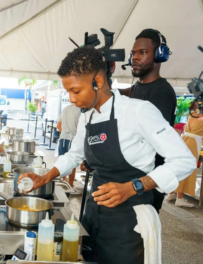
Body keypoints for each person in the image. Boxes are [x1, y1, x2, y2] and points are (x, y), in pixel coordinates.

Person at [19, 46, 195, 264]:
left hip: (129, 222)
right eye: (68, 92)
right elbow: (74, 154)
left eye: (76, 91)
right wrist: (46, 176)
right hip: (93, 216)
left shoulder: (138, 111)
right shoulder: (87, 117)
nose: (71, 100)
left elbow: (184, 160)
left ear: (98, 82)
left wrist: (133, 186)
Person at [120, 29, 177, 213]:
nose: (135, 57)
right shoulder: (139, 86)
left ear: (160, 55)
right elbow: (122, 96)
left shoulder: (161, 92)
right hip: (131, 175)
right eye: (134, 53)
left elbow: (150, 142)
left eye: (143, 52)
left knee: (137, 238)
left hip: (145, 182)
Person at [166, 116, 203, 207]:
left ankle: (170, 194)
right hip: (192, 143)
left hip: (185, 139)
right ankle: (179, 198)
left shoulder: (194, 112)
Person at [56, 104, 80, 191]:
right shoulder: (80, 110)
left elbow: (58, 126)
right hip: (72, 139)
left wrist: (65, 132)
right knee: (72, 163)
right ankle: (70, 184)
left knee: (62, 161)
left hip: (63, 139)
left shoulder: (65, 109)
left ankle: (63, 182)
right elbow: (81, 128)